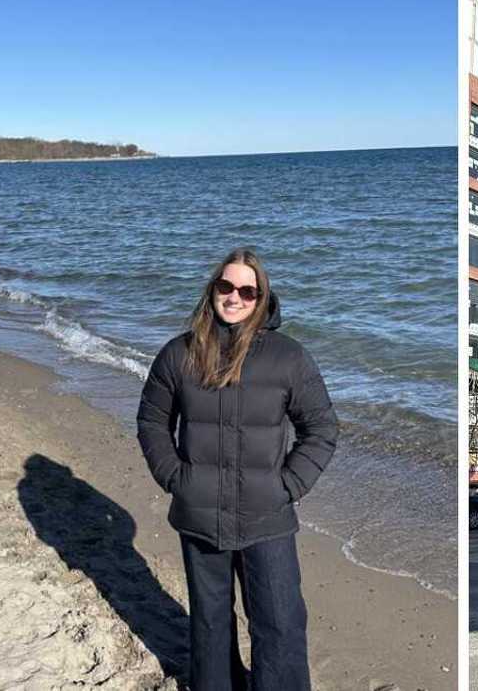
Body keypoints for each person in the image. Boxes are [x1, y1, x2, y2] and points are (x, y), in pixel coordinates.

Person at [137, 248, 338, 691]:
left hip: (268, 516)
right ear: (212, 291)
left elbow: (321, 429)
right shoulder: (180, 353)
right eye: (226, 287)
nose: (235, 298)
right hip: (199, 512)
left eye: (247, 290)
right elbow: (152, 421)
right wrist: (177, 478)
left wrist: (288, 485)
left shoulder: (289, 358)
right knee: (209, 624)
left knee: (280, 622)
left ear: (262, 299)